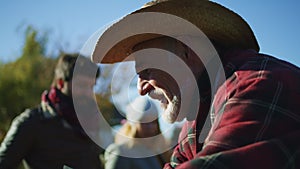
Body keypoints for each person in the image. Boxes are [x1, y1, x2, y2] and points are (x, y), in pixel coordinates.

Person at [92, 0, 300, 168]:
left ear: (186, 51)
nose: (141, 88)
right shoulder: (198, 113)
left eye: (146, 71)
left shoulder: (258, 85)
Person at [0, 53, 103, 169]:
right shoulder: (31, 122)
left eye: (91, 87)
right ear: (60, 83)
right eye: (82, 86)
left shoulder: (90, 123)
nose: (88, 93)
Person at [104, 96, 171, 169]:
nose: (150, 127)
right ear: (133, 125)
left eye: (153, 122)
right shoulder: (121, 152)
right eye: (144, 122)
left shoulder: (157, 155)